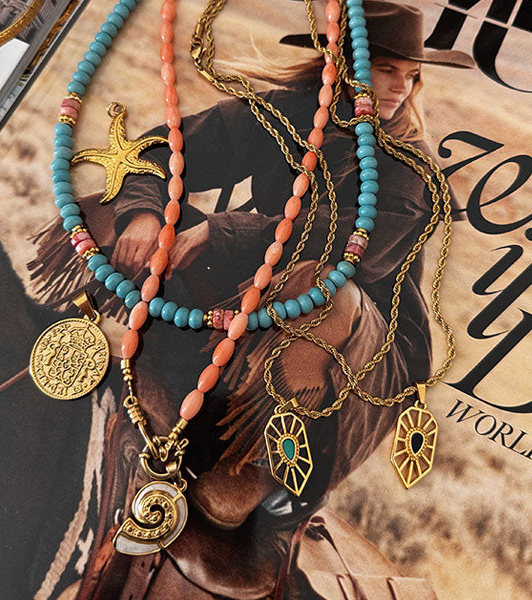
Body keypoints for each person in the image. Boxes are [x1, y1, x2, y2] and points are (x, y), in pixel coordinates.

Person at [28, 3, 475, 598]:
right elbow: (162, 149)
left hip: (356, 351)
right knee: (108, 209)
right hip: (255, 296)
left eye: (410, 76)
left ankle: (254, 466)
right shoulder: (288, 114)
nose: (401, 88)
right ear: (343, 65)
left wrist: (220, 231)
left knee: (323, 289)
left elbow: (351, 251)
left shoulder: (410, 169)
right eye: (386, 69)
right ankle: (72, 342)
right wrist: (143, 214)